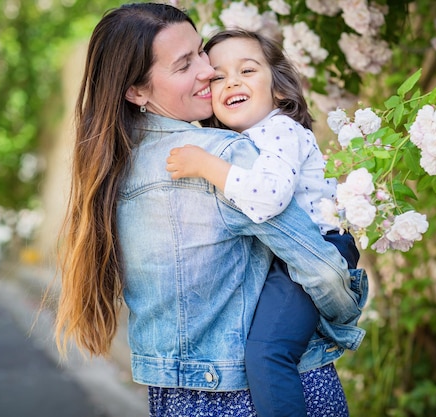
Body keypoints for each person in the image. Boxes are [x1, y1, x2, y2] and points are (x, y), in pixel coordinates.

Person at [53, 3, 367, 417]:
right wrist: (343, 312)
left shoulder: (117, 166)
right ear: (137, 91)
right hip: (255, 394)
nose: (209, 71)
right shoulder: (221, 157)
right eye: (185, 64)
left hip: (176, 399)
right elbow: (324, 271)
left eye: (201, 51)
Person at [165, 29, 362, 417]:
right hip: (287, 255)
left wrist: (207, 167)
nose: (232, 81)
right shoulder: (246, 139)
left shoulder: (280, 130)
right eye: (218, 76)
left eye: (248, 70)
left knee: (268, 352)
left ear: (280, 91)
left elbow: (269, 198)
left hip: (313, 252)